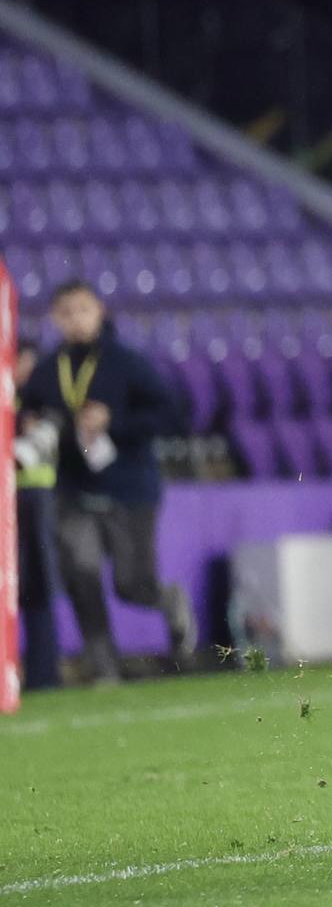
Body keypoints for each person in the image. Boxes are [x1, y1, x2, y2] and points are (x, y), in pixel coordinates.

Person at [18, 280, 195, 683]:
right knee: (80, 575)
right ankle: (104, 669)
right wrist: (31, 421)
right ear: (54, 319)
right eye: (65, 312)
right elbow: (28, 411)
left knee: (131, 584)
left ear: (99, 310)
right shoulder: (48, 371)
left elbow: (173, 416)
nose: (75, 320)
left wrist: (116, 422)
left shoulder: (127, 363)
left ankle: (167, 601)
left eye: (82, 309)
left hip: (129, 489)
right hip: (74, 491)